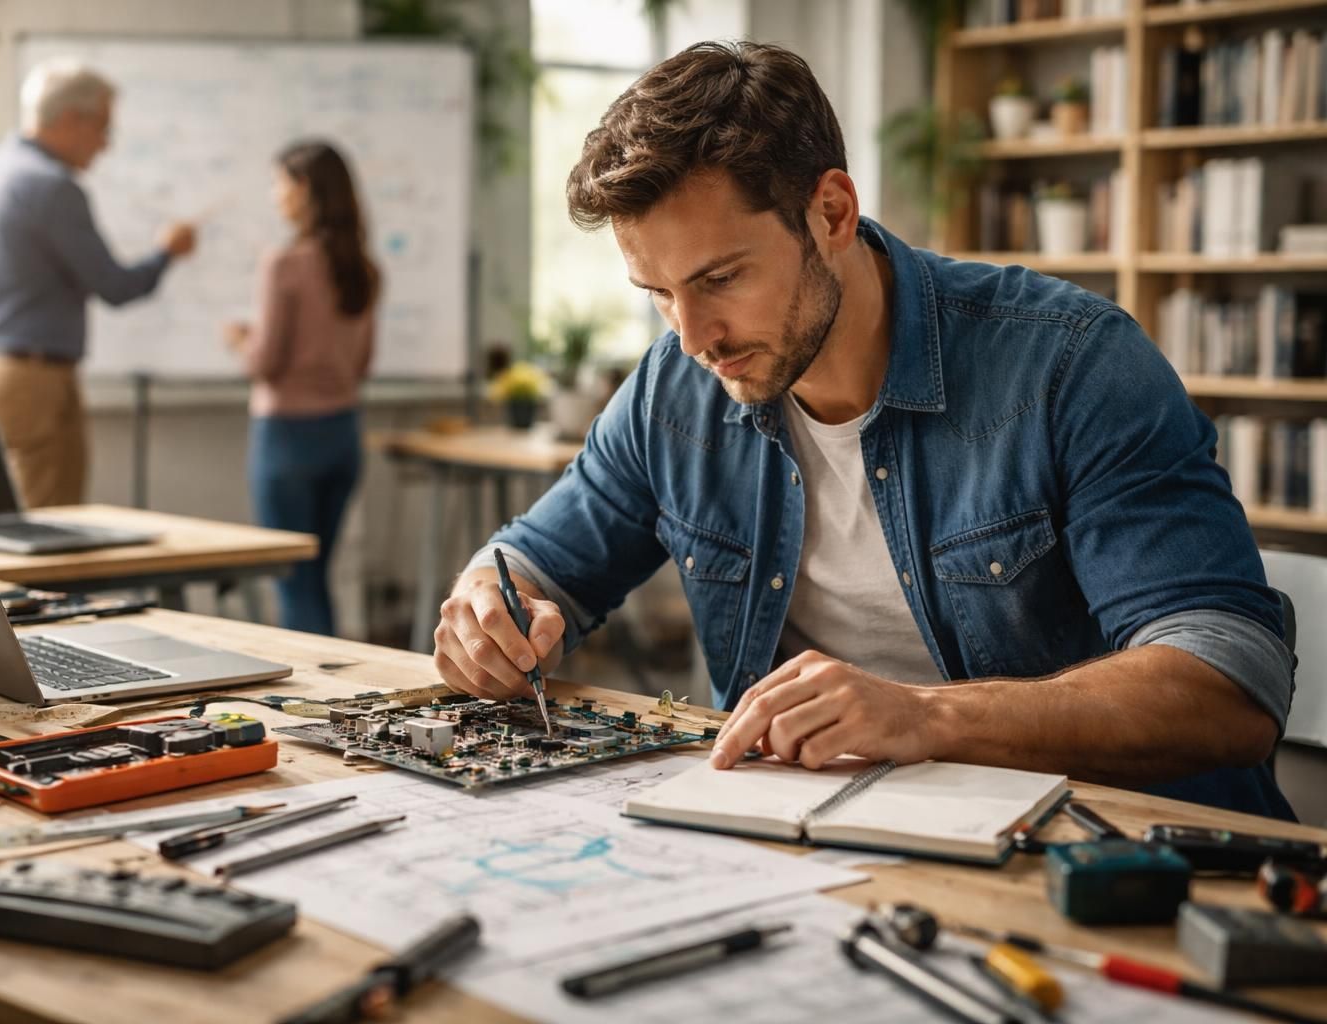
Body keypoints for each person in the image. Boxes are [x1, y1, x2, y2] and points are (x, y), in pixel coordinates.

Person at [433, 41, 1296, 818]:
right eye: (658, 294)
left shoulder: (1070, 364)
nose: (693, 337)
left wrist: (926, 717)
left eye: (721, 278)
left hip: (1115, 855)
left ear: (832, 213)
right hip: (824, 841)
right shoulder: (676, 388)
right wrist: (488, 611)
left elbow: (1228, 685)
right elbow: (534, 564)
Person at [0, 59, 197, 508]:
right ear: (72, 119)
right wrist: (166, 253)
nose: (105, 144)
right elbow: (115, 287)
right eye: (102, 128)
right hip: (33, 380)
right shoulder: (53, 186)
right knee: (48, 521)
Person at [225, 141, 377, 635]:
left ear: (304, 188)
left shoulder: (284, 264)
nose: (275, 195)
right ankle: (334, 680)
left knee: (295, 584)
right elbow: (361, 364)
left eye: (279, 183)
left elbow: (265, 363)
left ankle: (313, 684)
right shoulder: (364, 268)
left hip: (287, 438)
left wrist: (240, 339)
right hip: (343, 435)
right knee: (316, 580)